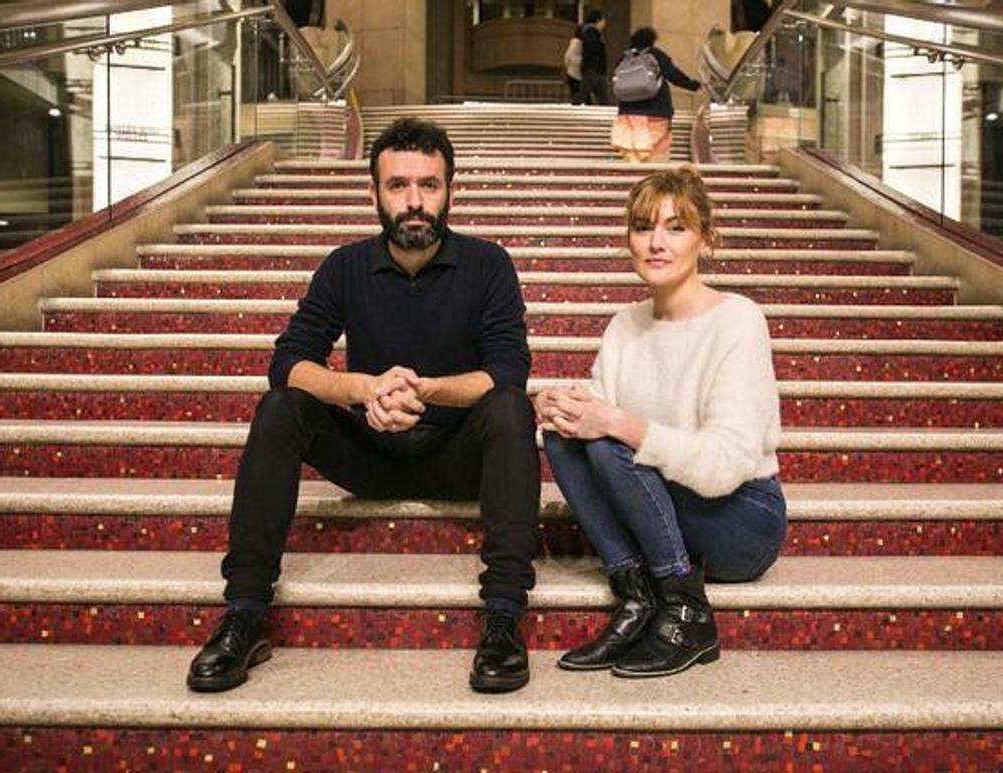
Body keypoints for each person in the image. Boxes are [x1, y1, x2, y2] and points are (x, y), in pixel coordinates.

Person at [187, 117, 541, 695]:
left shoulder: (488, 264)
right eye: (399, 185)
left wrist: (420, 389)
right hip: (369, 451)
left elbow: (508, 370)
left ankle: (503, 615)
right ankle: (245, 613)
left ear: (452, 191)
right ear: (374, 193)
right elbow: (290, 362)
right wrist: (365, 389)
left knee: (509, 407)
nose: (414, 201)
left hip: (460, 460)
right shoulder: (345, 266)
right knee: (281, 406)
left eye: (428, 185)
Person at [535, 167, 786, 678]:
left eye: (676, 227)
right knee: (566, 440)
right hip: (662, 508)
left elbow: (724, 467)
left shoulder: (737, 320)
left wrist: (618, 423)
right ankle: (637, 599)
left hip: (741, 518)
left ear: (706, 240)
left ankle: (688, 610)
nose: (655, 242)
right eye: (643, 226)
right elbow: (595, 420)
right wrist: (556, 406)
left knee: (610, 443)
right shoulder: (625, 327)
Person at [611, 27, 702, 162]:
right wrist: (694, 85)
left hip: (628, 114)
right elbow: (674, 75)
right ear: (652, 41)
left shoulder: (624, 58)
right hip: (656, 111)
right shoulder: (656, 55)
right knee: (656, 156)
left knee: (632, 156)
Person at [572, 9, 610, 106]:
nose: (604, 23)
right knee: (583, 94)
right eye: (603, 20)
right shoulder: (591, 31)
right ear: (598, 20)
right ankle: (572, 109)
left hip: (595, 69)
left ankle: (607, 113)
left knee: (603, 97)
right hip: (593, 69)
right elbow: (593, 49)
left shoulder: (589, 31)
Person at [563, 25, 583, 102]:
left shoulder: (575, 43)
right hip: (575, 73)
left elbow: (566, 58)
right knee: (578, 95)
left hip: (573, 73)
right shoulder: (577, 44)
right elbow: (567, 57)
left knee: (576, 94)